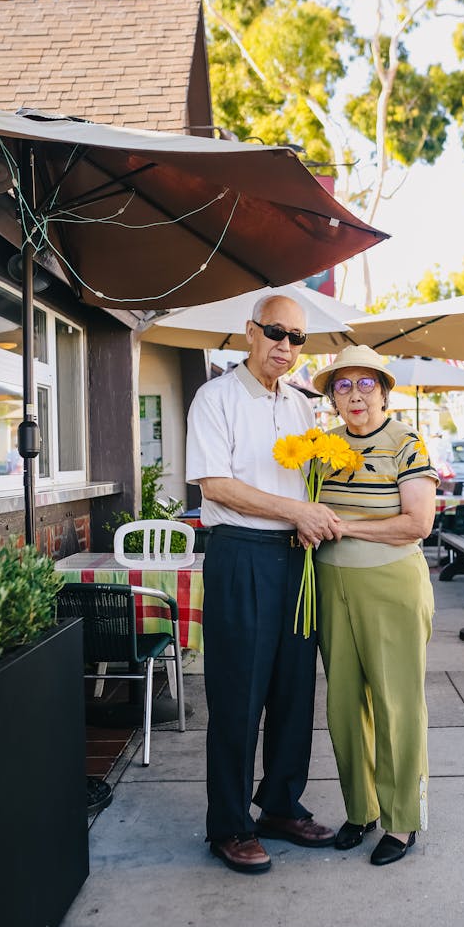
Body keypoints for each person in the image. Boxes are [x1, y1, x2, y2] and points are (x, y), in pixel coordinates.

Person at [186, 293, 340, 874]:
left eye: (298, 337)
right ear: (250, 332)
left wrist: (314, 515)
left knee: (294, 693)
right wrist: (296, 512)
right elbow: (215, 486)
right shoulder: (215, 397)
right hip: (241, 554)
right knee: (237, 696)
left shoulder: (303, 408)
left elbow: (308, 486)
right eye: (276, 332)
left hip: (295, 559)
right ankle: (228, 824)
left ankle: (279, 805)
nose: (286, 345)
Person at [311, 345, 438, 866]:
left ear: (384, 391)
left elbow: (418, 523)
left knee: (395, 703)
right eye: (343, 385)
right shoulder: (321, 446)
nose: (355, 395)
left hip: (390, 582)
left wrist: (344, 527)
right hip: (329, 582)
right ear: (332, 398)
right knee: (343, 705)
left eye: (366, 384)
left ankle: (402, 821)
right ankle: (360, 810)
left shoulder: (406, 443)